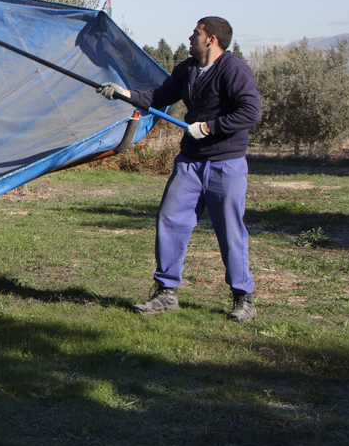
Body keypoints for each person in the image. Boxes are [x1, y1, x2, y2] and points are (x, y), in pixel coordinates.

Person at [99, 17, 262, 322]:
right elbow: (157, 99)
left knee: (229, 229)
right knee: (170, 219)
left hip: (226, 162)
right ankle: (166, 293)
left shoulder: (233, 68)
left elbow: (251, 112)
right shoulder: (186, 69)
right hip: (190, 161)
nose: (190, 38)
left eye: (196, 33)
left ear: (212, 39)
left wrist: (211, 128)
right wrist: (124, 93)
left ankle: (243, 298)